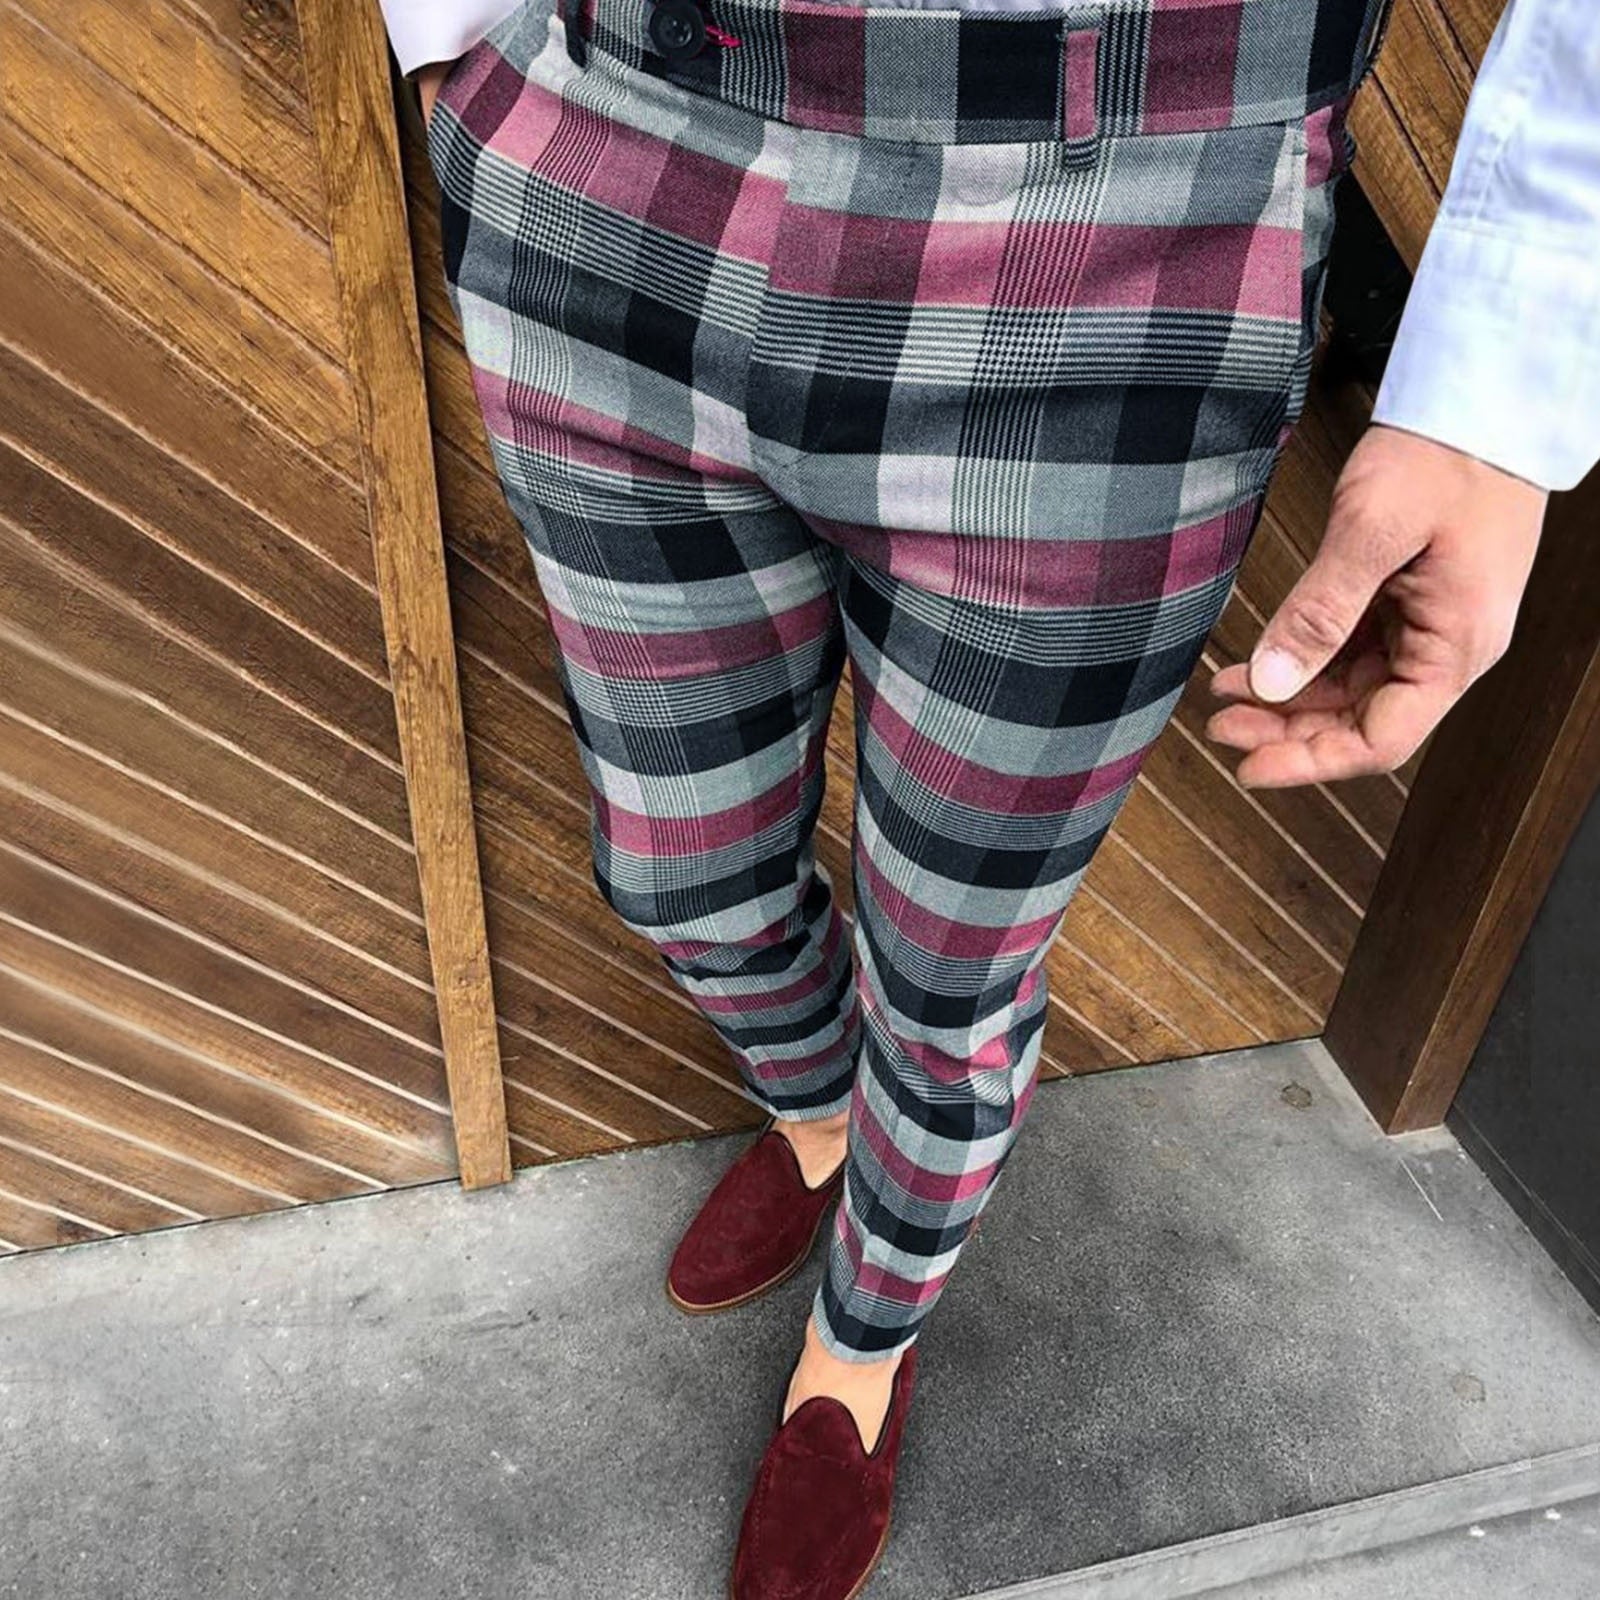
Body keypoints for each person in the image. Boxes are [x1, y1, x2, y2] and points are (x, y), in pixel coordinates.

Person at [380, 0, 1599, 1593]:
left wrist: (1500, 385)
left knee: (949, 973)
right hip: (612, 151)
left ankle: (859, 1347)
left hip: (1122, 232)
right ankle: (822, 1116)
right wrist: (450, 41)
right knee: (680, 868)